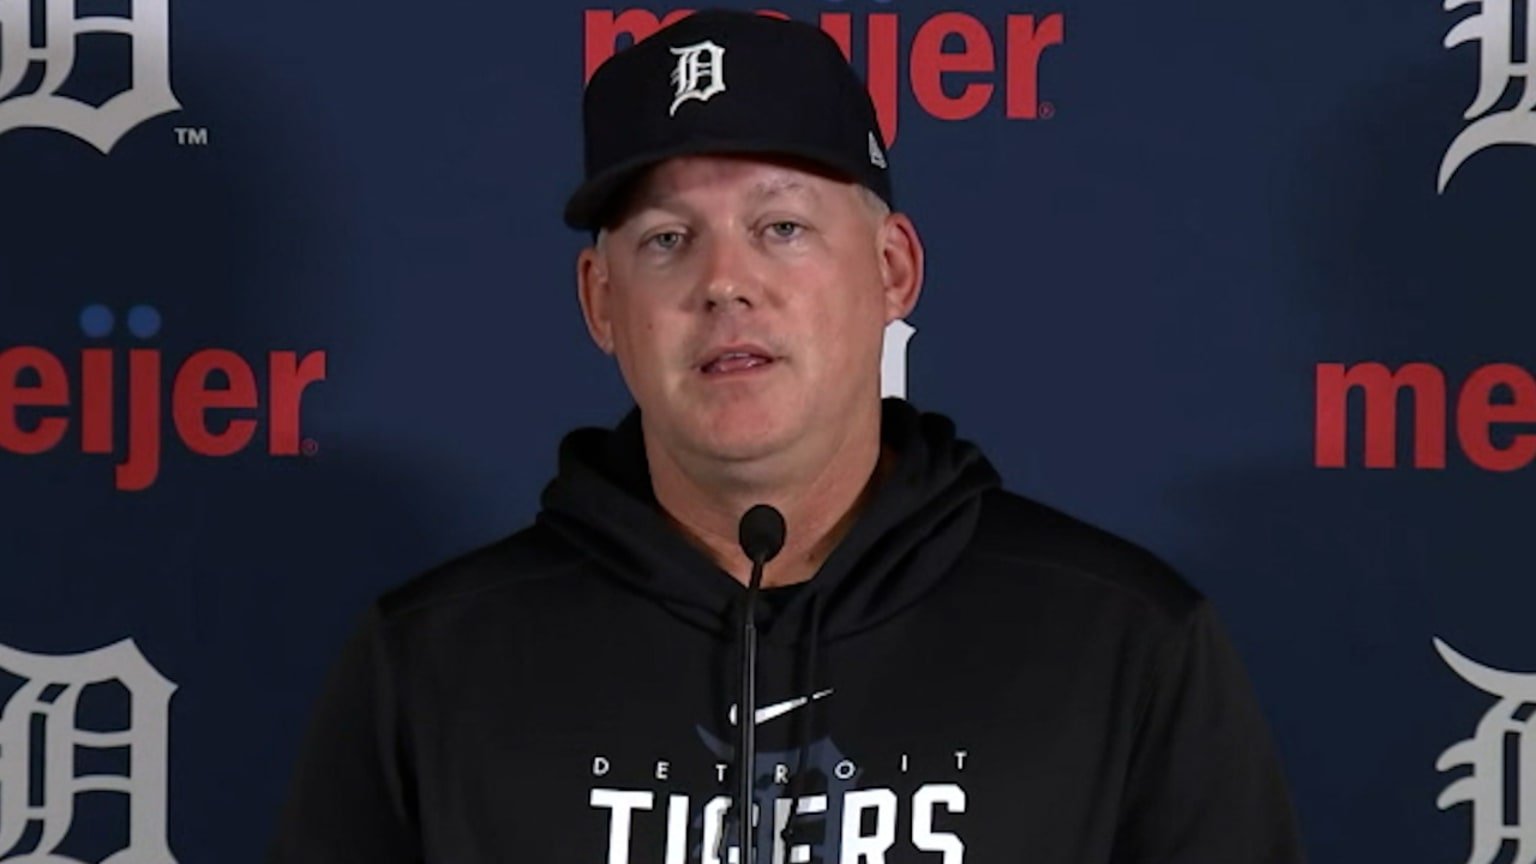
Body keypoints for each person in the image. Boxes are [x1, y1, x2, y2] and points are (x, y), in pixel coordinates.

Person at [269, 9, 1305, 863]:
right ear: (600, 302)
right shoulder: (432, 662)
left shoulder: (1123, 641)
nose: (726, 282)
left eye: (782, 227)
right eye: (667, 239)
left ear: (893, 270)